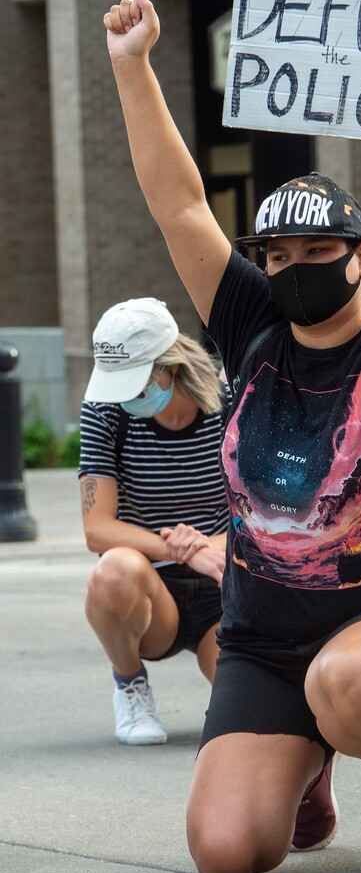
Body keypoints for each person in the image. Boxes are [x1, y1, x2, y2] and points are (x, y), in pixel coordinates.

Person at [103, 0, 361, 873]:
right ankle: (305, 765)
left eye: (315, 254)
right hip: (265, 640)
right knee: (228, 857)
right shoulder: (252, 329)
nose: (291, 270)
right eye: (277, 257)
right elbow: (179, 206)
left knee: (350, 685)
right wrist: (134, 66)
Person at [79, 297, 230, 745]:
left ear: (169, 368)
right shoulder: (104, 409)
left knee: (247, 715)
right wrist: (183, 550)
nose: (122, 395)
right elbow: (98, 528)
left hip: (223, 583)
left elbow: (263, 515)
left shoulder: (232, 405)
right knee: (113, 569)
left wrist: (209, 547)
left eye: (133, 382)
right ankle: (130, 685)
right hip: (148, 591)